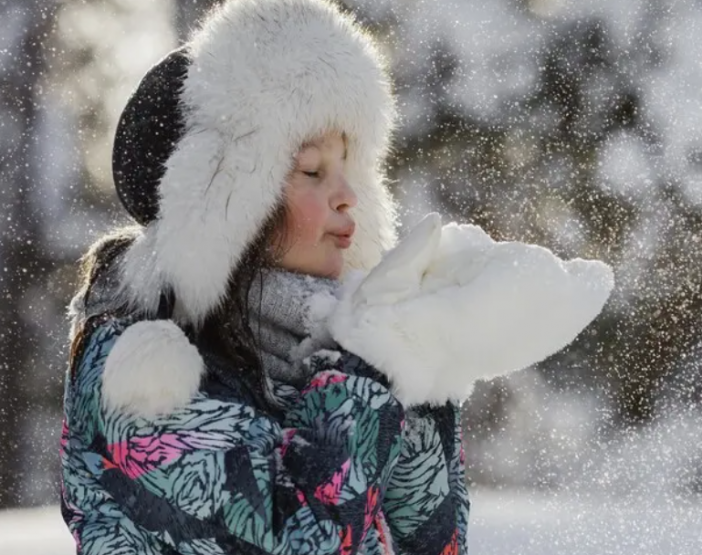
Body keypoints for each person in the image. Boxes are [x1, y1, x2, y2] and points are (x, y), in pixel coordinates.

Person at [60, 1, 615, 554]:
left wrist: (423, 362)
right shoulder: (136, 367)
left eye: (351, 166)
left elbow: (430, 544)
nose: (348, 193)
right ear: (227, 199)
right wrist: (370, 369)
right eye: (312, 170)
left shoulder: (332, 351)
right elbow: (295, 542)